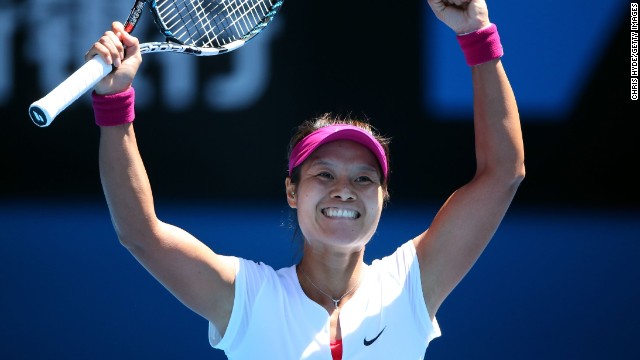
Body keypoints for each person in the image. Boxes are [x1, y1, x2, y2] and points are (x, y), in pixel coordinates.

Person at [87, 0, 524, 358]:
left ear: (383, 196)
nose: (343, 190)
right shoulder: (249, 300)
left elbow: (504, 173)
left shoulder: (411, 286)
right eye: (324, 174)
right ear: (292, 192)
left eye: (364, 179)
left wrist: (476, 35)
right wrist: (114, 103)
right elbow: (141, 233)